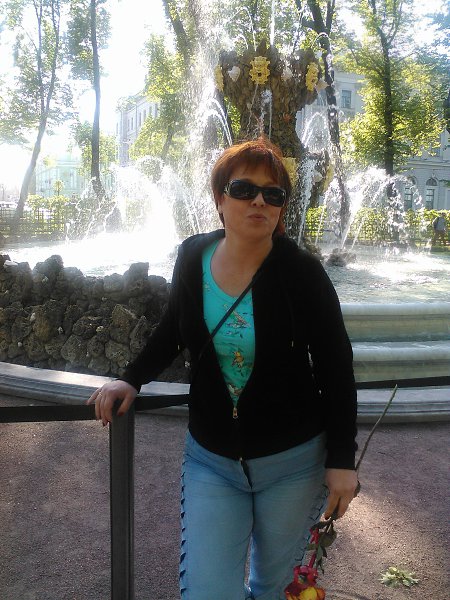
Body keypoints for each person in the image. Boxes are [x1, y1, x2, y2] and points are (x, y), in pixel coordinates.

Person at [87, 137, 358, 600]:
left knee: (274, 590)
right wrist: (131, 377)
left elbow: (336, 367)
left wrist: (341, 460)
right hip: (211, 459)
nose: (259, 201)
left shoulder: (302, 272)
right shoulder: (193, 257)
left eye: (273, 193)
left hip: (293, 462)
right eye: (244, 189)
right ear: (219, 198)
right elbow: (172, 328)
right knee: (209, 591)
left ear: (282, 207)